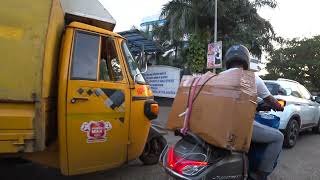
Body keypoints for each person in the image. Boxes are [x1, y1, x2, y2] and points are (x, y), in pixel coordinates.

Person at [224, 45, 284, 180]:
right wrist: (279, 107)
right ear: (246, 60)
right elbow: (271, 101)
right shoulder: (253, 79)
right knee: (278, 137)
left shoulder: (219, 77)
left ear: (227, 60)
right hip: (238, 127)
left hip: (219, 124)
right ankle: (260, 175)